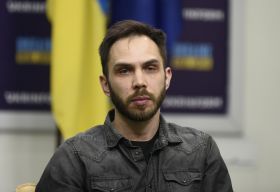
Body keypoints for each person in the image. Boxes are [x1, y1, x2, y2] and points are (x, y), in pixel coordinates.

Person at [36, 20, 233, 192]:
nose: (139, 81)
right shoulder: (74, 158)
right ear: (106, 84)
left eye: (150, 68)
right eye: (124, 70)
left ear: (167, 77)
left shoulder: (201, 151)